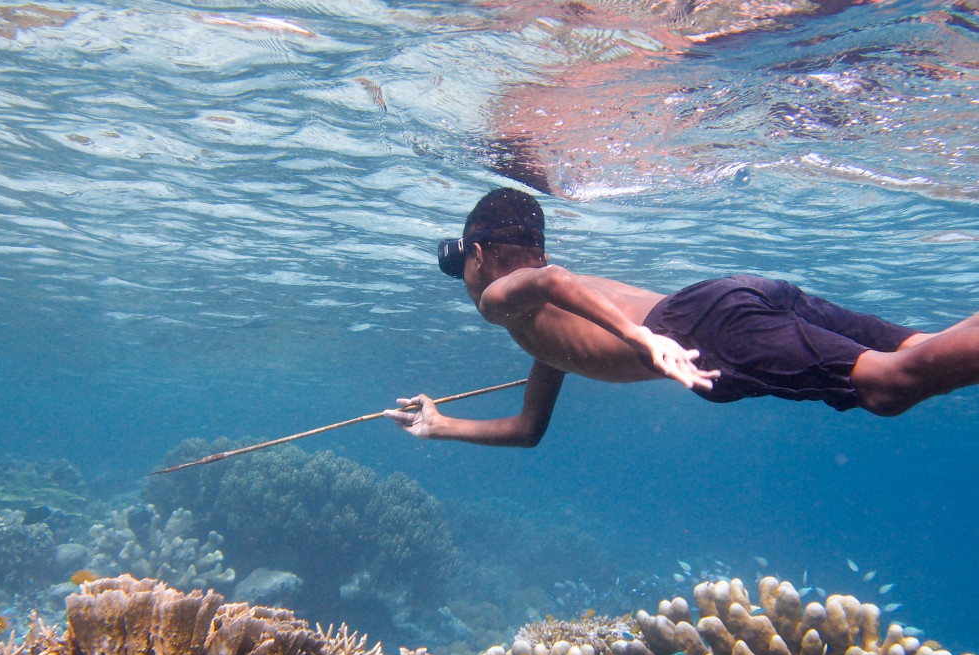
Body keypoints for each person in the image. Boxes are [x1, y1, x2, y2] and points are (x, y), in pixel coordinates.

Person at [383, 188, 979, 447]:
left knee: (888, 385)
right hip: (731, 298)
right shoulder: (545, 337)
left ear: (477, 254)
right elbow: (528, 429)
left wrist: (642, 337)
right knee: (917, 347)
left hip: (699, 326)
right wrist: (441, 425)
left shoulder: (498, 300)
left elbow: (549, 279)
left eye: (465, 264)